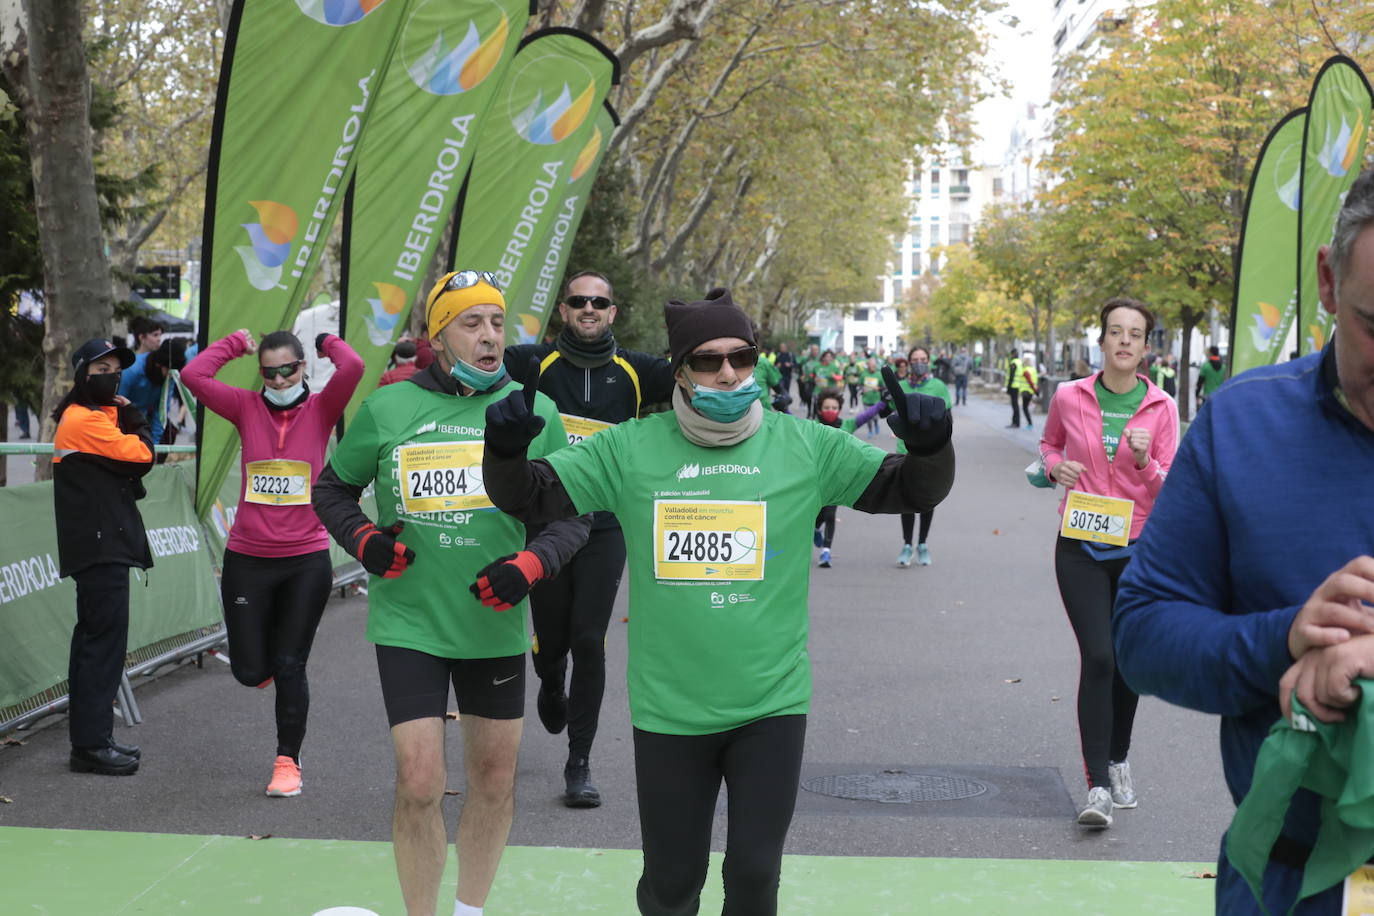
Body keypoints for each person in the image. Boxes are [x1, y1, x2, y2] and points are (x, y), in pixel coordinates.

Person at [479, 286, 955, 916]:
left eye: (741, 356)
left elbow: (910, 491)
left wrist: (929, 448)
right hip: (670, 710)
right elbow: (528, 497)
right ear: (679, 369)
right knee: (673, 885)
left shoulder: (804, 446)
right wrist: (505, 452)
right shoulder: (631, 448)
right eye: (706, 360)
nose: (727, 372)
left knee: (756, 877)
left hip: (771, 704)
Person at [1113, 169, 1374, 914]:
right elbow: (1141, 634)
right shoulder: (1239, 427)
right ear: (1327, 280)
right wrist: (1284, 640)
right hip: (1283, 886)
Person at [312, 270, 590, 916]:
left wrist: (529, 563)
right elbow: (331, 489)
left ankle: (469, 910)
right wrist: (364, 542)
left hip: (491, 622)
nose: (490, 336)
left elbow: (574, 515)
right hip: (410, 620)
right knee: (419, 781)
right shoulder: (390, 408)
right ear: (438, 338)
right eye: (472, 323)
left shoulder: (532, 412)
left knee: (493, 780)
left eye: (497, 322)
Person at [503, 269, 674, 808]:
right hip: (547, 525)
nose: (589, 309)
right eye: (579, 301)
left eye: (599, 302)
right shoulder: (531, 364)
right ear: (564, 310)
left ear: (613, 312)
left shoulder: (637, 371)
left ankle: (579, 764)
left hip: (605, 527)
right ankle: (550, 681)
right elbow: (469, 370)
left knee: (588, 639)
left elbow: (701, 377)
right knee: (553, 644)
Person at [182, 326, 364, 797]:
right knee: (248, 671)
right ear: (260, 373)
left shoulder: (323, 407)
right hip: (248, 557)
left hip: (306, 558)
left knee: (289, 663)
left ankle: (288, 762)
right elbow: (192, 374)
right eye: (270, 372)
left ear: (303, 367)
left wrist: (327, 341)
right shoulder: (245, 407)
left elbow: (355, 367)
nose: (280, 380)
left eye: (289, 369)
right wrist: (232, 344)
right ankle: (262, 668)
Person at [1039, 297, 1178, 829]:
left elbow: (1168, 490)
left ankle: (1118, 759)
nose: (1124, 341)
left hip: (1141, 548)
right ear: (1101, 342)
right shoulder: (1070, 397)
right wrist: (1057, 468)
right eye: (1115, 331)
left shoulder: (1161, 408)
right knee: (1099, 657)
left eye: (1134, 334)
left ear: (1146, 347)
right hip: (1080, 545)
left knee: (1129, 663)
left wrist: (1144, 461)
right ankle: (1097, 786)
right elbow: (1049, 444)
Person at [52, 338, 154, 776]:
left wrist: (120, 413)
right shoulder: (84, 421)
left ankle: (93, 740)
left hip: (99, 545)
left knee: (94, 646)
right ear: (81, 376)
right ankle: (91, 746)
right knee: (101, 648)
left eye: (116, 369)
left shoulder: (89, 417)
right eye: (101, 370)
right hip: (99, 548)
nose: (112, 377)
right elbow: (143, 456)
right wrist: (133, 414)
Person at [812, 388, 889, 567]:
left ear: (839, 409)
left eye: (834, 407)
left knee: (830, 514)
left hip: (837, 479)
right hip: (816, 479)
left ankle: (826, 552)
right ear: (819, 409)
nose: (830, 410)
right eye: (826, 407)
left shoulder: (846, 426)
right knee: (819, 514)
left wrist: (882, 403)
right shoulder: (811, 426)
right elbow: (791, 423)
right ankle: (816, 528)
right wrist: (783, 407)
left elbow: (866, 415)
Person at [896, 346, 952, 568]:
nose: (919, 362)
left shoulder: (938, 386)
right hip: (905, 450)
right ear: (908, 363)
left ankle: (922, 543)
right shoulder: (900, 387)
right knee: (906, 499)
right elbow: (890, 412)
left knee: (927, 499)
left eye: (923, 359)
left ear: (929, 361)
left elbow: (948, 418)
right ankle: (907, 544)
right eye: (915, 359)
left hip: (931, 452)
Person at [118, 316, 167, 445]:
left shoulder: (163, 365)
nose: (158, 339)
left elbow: (161, 407)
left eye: (160, 335)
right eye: (155, 335)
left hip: (146, 425)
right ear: (142, 337)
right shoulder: (130, 368)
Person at [1014, 350, 1039, 429]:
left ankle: (1030, 424)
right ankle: (1029, 423)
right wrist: (1035, 391)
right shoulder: (1033, 370)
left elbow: (1030, 381)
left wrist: (1035, 390)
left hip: (1026, 391)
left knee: (1025, 408)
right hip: (1031, 391)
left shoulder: (1025, 371)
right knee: (1026, 407)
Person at [859, 357, 883, 437]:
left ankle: (876, 424)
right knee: (868, 417)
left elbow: (883, 387)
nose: (873, 367)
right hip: (866, 400)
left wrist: (878, 388)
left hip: (876, 400)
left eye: (874, 365)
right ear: (868, 365)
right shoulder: (863, 374)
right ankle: (870, 431)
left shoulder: (879, 374)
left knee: (875, 417)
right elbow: (859, 385)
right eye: (872, 365)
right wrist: (862, 389)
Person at [1005, 352, 1023, 428]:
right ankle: (1016, 422)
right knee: (1016, 405)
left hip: (1013, 386)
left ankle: (1015, 422)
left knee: (1014, 405)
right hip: (1018, 385)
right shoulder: (1020, 362)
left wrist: (1008, 387)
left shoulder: (1013, 363)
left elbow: (1011, 376)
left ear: (1012, 354)